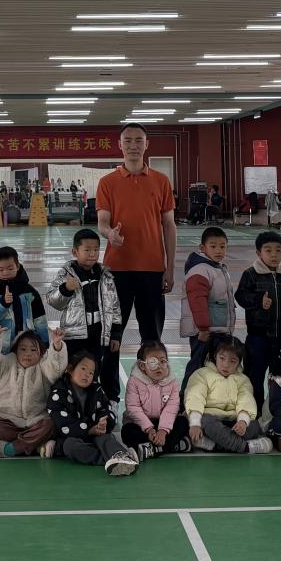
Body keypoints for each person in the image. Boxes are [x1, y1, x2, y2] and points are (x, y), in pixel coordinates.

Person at [96, 123, 177, 349]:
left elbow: (169, 225)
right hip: (116, 269)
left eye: (138, 140)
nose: (133, 145)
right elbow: (102, 222)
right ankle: (109, 375)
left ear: (146, 144)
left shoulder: (161, 181)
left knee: (152, 338)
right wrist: (109, 234)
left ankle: (152, 374)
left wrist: (170, 268)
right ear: (120, 145)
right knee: (111, 337)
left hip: (152, 269)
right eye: (128, 140)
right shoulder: (107, 182)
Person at [46, 227, 123, 399]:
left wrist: (115, 334)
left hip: (98, 335)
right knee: (72, 370)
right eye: (87, 250)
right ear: (75, 251)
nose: (92, 254)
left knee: (93, 371)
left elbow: (115, 306)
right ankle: (69, 402)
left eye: (96, 250)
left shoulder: (106, 275)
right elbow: (52, 300)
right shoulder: (65, 274)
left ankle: (93, 403)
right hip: (74, 337)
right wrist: (66, 288)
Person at [46, 349, 139, 474]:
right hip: (72, 436)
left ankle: (120, 455)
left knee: (104, 438)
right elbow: (63, 424)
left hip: (96, 434)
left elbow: (107, 409)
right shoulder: (58, 394)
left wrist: (103, 422)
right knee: (70, 446)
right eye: (83, 369)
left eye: (91, 372)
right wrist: (90, 430)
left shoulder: (96, 390)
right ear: (70, 369)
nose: (87, 374)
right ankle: (117, 459)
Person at [0, 322, 66, 457]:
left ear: (41, 353)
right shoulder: (7, 363)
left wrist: (56, 345)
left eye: (33, 350)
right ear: (15, 351)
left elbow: (56, 368)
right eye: (23, 349)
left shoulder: (44, 367)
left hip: (35, 421)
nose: (28, 354)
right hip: (7, 420)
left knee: (50, 424)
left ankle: (11, 449)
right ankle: (35, 446)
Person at [184, 334, 273, 455]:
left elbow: (246, 401)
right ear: (215, 356)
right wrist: (194, 423)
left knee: (254, 426)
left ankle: (213, 445)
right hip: (210, 419)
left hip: (233, 421)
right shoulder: (201, 374)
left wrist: (242, 421)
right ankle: (247, 448)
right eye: (222, 358)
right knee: (207, 423)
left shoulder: (243, 380)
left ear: (239, 363)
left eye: (232, 361)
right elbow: (195, 397)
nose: (226, 364)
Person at [235, 230, 281, 414]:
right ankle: (254, 411)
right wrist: (258, 300)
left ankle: (274, 412)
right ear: (259, 253)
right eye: (268, 250)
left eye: (278, 250)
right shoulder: (250, 274)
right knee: (254, 376)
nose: (274, 255)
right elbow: (240, 296)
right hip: (258, 337)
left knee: (279, 377)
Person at [180, 227, 236, 388]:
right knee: (198, 367)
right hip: (205, 333)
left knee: (214, 368)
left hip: (217, 330)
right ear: (202, 248)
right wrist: (203, 328)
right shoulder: (200, 270)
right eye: (213, 246)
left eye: (222, 246)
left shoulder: (217, 267)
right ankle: (186, 397)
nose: (218, 250)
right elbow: (197, 301)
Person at [121, 340, 192, 459]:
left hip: (163, 423)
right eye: (153, 362)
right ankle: (171, 445)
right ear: (142, 366)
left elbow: (171, 408)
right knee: (127, 432)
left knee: (183, 422)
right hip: (141, 424)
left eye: (163, 361)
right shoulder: (134, 382)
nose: (159, 366)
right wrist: (149, 430)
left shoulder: (172, 382)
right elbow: (133, 408)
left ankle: (151, 449)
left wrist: (163, 431)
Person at [0, 246, 49, 355]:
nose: (5, 273)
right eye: (1, 270)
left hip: (26, 343)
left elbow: (39, 318)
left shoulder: (29, 290)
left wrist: (44, 343)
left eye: (10, 268)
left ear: (17, 266)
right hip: (4, 345)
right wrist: (2, 303)